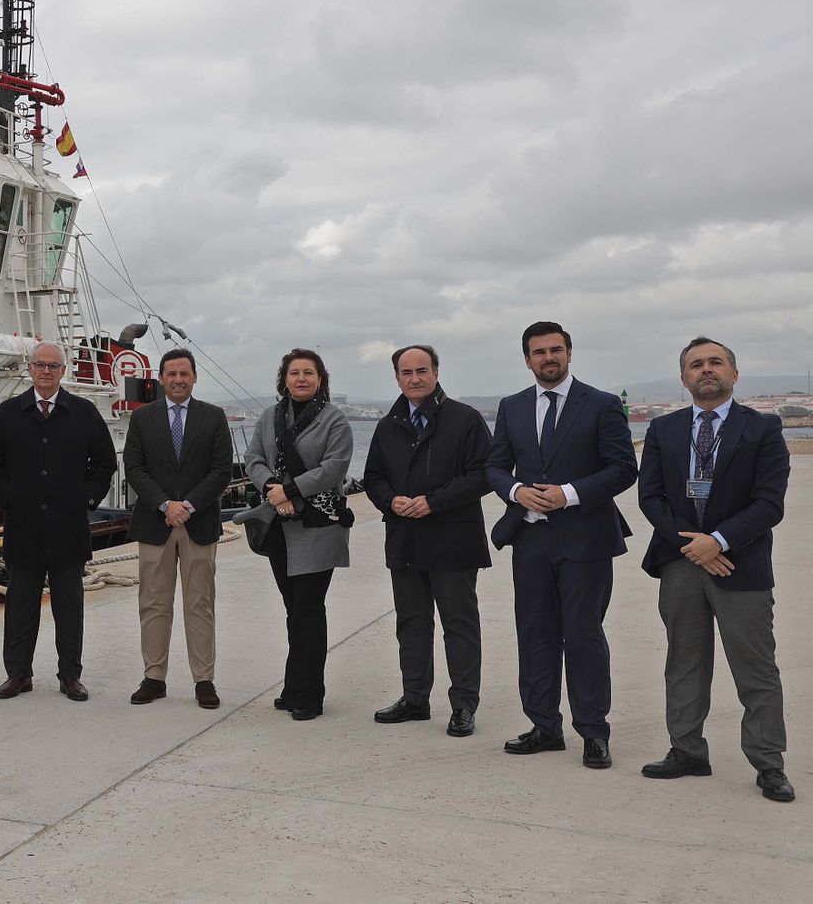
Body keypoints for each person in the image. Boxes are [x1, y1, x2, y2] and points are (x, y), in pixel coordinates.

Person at [637, 337, 793, 801]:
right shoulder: (664, 430)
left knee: (756, 668)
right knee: (684, 662)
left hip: (738, 564)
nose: (707, 369)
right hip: (681, 562)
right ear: (683, 378)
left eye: (716, 362)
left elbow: (769, 503)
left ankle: (768, 764)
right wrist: (694, 546)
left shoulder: (763, 428)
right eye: (696, 364)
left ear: (734, 374)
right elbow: (650, 497)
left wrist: (718, 541)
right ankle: (687, 750)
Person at [487, 321, 636, 768]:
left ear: (569, 353)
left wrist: (568, 493)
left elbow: (623, 468)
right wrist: (516, 491)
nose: (548, 358)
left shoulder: (603, 405)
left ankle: (593, 732)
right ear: (527, 359)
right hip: (530, 539)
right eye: (539, 352)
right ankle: (544, 726)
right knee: (534, 633)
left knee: (584, 635)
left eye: (556, 350)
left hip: (586, 540)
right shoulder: (511, 407)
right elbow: (494, 467)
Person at [362, 344, 492, 737]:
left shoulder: (465, 419)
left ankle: (464, 706)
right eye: (406, 373)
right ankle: (415, 698)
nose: (414, 379)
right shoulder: (388, 425)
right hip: (405, 539)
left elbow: (484, 473)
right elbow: (373, 478)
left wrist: (434, 502)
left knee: (459, 624)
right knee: (412, 623)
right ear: (397, 378)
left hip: (453, 538)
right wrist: (391, 500)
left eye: (422, 370)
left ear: (436, 372)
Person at [0, 341, 117, 701]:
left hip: (68, 526)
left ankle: (70, 675)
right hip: (23, 525)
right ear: (30, 369)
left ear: (63, 371)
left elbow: (104, 463)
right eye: (40, 365)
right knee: (21, 604)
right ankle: (18, 674)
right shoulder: (9, 413)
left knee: (69, 605)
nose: (46, 371)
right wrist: (6, 499)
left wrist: (87, 498)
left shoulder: (84, 413)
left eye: (53, 366)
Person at [234, 348, 353, 721]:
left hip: (317, 524)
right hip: (279, 524)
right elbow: (253, 457)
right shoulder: (270, 417)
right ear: (284, 379)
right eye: (294, 373)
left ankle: (309, 695)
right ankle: (293, 685)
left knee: (309, 608)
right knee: (293, 608)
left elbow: (335, 467)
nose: (301, 379)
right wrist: (271, 486)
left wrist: (290, 490)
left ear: (320, 379)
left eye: (309, 373)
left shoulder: (335, 419)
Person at [122, 349, 233, 709]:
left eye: (184, 374)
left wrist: (187, 506)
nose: (178, 380)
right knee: (154, 603)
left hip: (198, 522)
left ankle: (204, 680)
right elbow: (134, 467)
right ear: (161, 378)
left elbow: (221, 470)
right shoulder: (143, 419)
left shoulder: (213, 417)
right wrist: (164, 504)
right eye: (171, 374)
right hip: (156, 523)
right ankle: (154, 677)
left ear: (195, 377)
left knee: (200, 603)